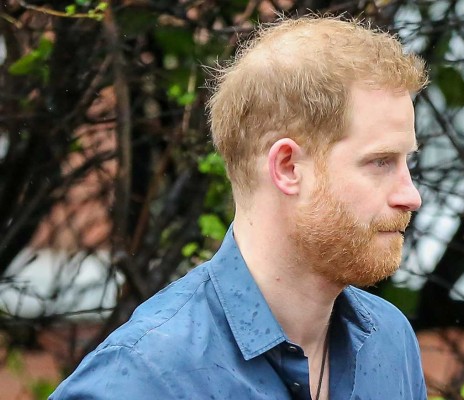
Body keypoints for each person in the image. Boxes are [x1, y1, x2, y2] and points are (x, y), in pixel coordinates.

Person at [50, 16, 428, 400]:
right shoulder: (143, 376)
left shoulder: (389, 341)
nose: (410, 195)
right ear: (288, 167)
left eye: (406, 161)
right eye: (381, 162)